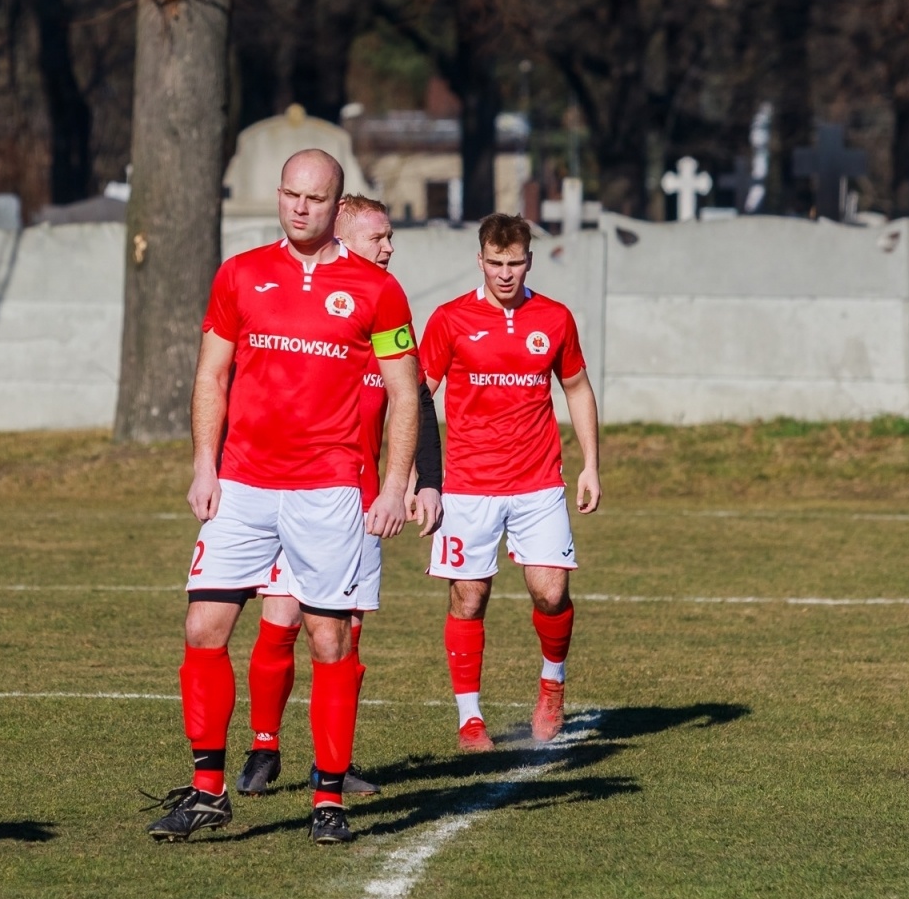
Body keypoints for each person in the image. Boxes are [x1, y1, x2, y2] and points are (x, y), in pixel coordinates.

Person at [145, 150, 420, 846]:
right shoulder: (238, 275)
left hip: (327, 490)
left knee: (328, 638)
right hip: (241, 484)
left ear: (337, 206)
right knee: (203, 628)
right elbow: (211, 376)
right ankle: (209, 791)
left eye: (316, 198)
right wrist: (204, 464)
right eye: (291, 194)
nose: (300, 207)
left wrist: (393, 485)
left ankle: (328, 798)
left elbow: (406, 393)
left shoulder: (376, 291)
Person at [236, 194, 444, 798]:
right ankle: (263, 747)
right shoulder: (301, 309)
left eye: (390, 236)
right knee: (279, 617)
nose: (389, 247)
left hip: (355, 501)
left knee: (344, 634)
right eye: (378, 236)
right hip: (286, 489)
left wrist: (423, 480)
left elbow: (418, 400)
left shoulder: (386, 310)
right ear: (343, 235)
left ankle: (334, 760)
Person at [417, 212, 601, 752]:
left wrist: (590, 464)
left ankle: (552, 686)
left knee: (551, 592)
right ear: (480, 260)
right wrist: (411, 474)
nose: (505, 273)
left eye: (514, 263)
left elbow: (578, 388)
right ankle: (470, 719)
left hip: (537, 482)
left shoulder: (555, 318)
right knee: (469, 599)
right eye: (495, 263)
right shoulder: (450, 320)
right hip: (468, 487)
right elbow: (418, 400)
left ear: (529, 260)